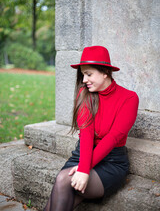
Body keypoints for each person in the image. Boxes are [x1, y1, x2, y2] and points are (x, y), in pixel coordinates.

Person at [44, 46, 139, 211]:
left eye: (89, 74)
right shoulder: (85, 94)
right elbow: (86, 136)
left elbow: (114, 137)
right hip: (83, 154)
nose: (84, 80)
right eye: (83, 75)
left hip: (112, 161)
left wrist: (84, 170)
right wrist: (83, 167)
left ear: (105, 72)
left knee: (64, 181)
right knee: (64, 184)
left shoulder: (129, 98)